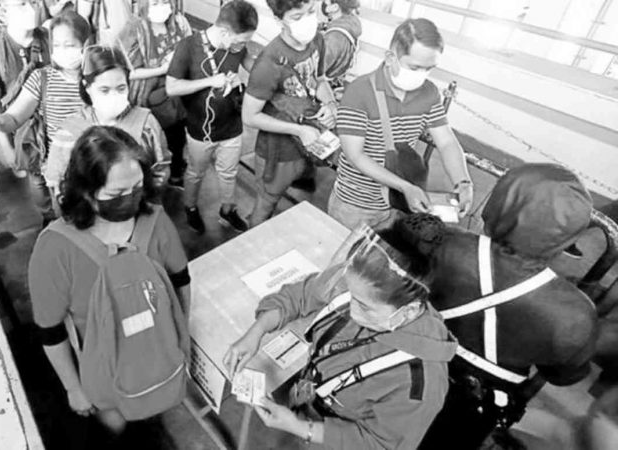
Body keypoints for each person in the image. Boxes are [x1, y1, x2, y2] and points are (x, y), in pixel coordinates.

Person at [387, 164, 598, 449]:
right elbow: (562, 377)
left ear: (497, 205)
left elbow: (391, 249)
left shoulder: (443, 244)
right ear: (569, 239)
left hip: (402, 374)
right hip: (467, 412)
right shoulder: (576, 317)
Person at [224, 225, 456, 449]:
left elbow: (379, 444)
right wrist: (257, 331)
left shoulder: (419, 387)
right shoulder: (360, 283)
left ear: (410, 311)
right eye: (350, 294)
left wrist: (301, 428)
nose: (351, 311)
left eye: (364, 307)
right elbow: (301, 295)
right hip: (309, 399)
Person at [28, 125, 191, 436]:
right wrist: (73, 389)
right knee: (117, 428)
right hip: (103, 372)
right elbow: (49, 331)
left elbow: (181, 278)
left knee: (151, 415)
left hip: (159, 355)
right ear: (86, 192)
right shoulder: (55, 248)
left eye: (137, 188)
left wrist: (182, 337)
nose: (130, 199)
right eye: (116, 193)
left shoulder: (155, 218)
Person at [329, 18, 472, 230]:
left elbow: (446, 141)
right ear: (390, 58)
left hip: (398, 203)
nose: (421, 75)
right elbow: (355, 155)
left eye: (429, 68)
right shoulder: (360, 92)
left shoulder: (429, 93)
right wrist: (405, 187)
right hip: (355, 204)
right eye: (415, 67)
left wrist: (463, 182)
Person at [0, 10, 90, 225]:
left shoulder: (96, 77)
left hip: (95, 163)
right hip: (60, 170)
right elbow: (14, 118)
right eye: (57, 46)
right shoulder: (41, 78)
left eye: (71, 45)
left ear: (86, 44)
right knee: (70, 219)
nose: (63, 51)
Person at [243, 0, 337, 227]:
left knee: (305, 175)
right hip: (279, 149)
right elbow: (250, 116)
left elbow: (319, 79)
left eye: (311, 12)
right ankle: (255, 236)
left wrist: (331, 104)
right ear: (278, 20)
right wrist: (298, 130)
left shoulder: (317, 40)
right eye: (297, 17)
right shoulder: (268, 63)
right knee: (267, 201)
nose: (307, 21)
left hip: (310, 133)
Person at [166, 0, 258, 233]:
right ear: (225, 33)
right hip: (200, 129)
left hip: (231, 127)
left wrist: (243, 81)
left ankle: (228, 210)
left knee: (229, 172)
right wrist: (210, 81)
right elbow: (172, 87)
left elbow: (255, 70)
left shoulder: (237, 48)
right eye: (241, 41)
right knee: (196, 173)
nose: (242, 46)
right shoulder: (188, 47)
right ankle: (190, 208)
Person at [45, 46, 170, 193]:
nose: (114, 96)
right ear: (87, 87)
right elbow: (58, 184)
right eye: (104, 90)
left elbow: (161, 169)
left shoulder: (145, 123)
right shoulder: (71, 131)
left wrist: (151, 190)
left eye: (121, 88)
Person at [118, 0, 191, 190]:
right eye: (155, 2)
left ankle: (176, 174)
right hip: (148, 97)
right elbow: (129, 71)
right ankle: (149, 183)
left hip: (178, 95)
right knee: (152, 142)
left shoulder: (178, 23)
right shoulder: (134, 30)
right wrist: (162, 69)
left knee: (177, 137)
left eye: (165, 2)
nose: (162, 6)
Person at [0, 0, 51, 173]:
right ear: (3, 10)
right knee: (38, 184)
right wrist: (8, 147)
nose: (32, 10)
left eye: (34, 2)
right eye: (22, 4)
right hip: (22, 134)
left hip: (57, 127)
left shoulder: (52, 38)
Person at [320, 0, 361, 99]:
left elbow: (316, 72)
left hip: (325, 90)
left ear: (334, 7)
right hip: (339, 80)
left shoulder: (333, 39)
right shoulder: (351, 22)